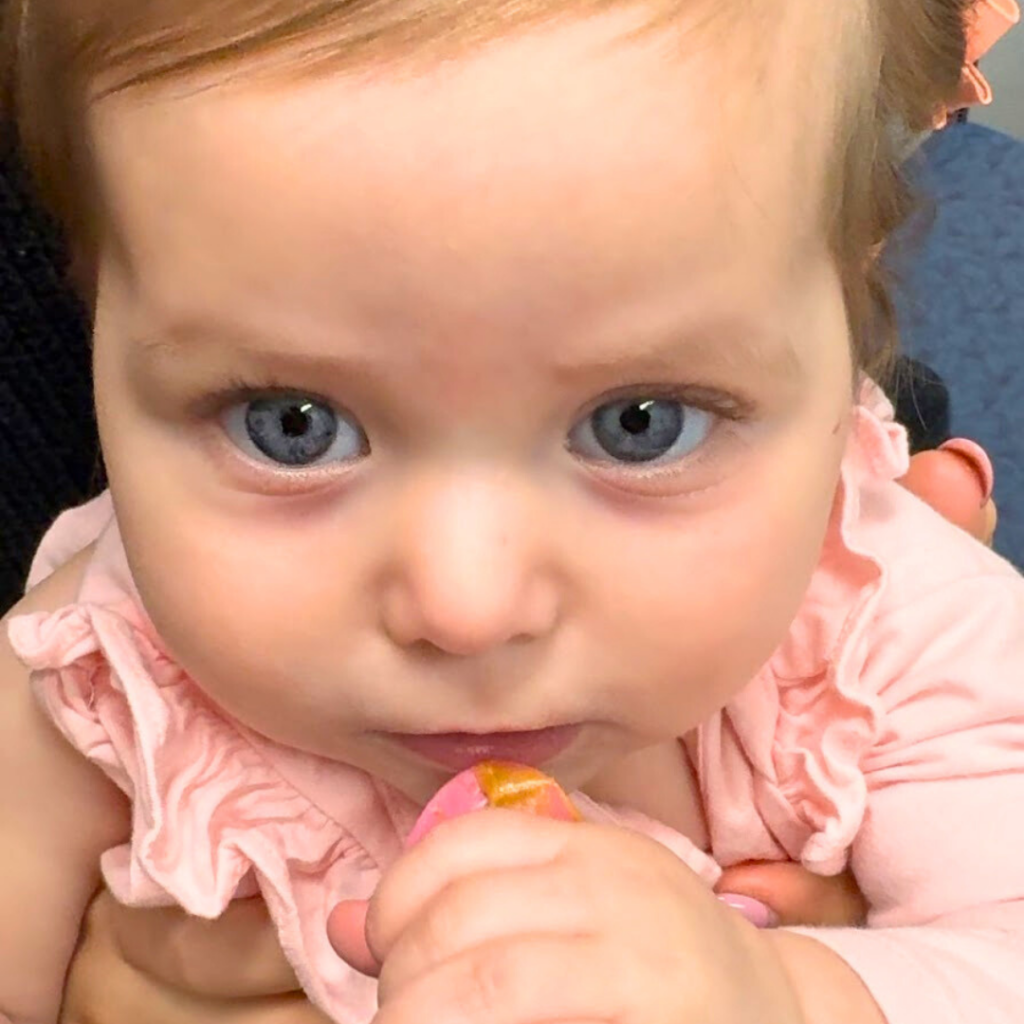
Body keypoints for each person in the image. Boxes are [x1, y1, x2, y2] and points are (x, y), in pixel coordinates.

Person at [1, 0, 1022, 1022]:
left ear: (845, 326)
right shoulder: (98, 679)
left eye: (639, 423)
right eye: (291, 424)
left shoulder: (885, 633)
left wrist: (790, 999)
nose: (466, 605)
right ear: (97, 317)